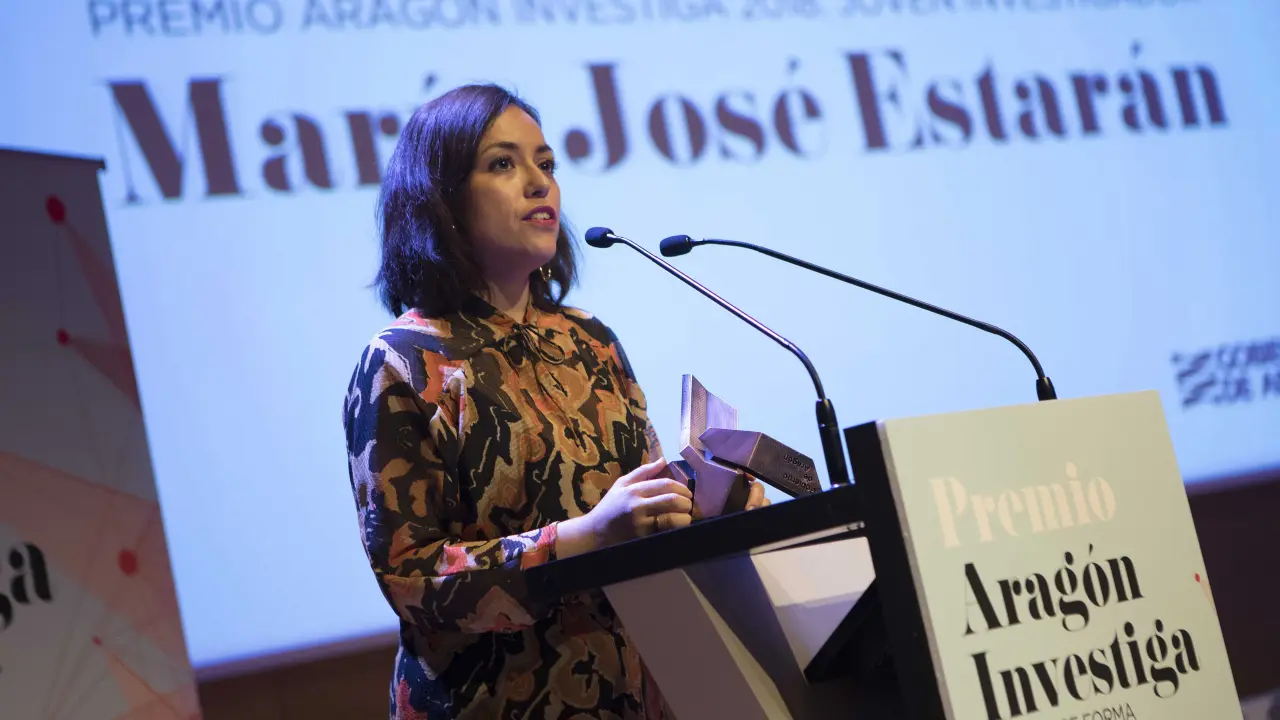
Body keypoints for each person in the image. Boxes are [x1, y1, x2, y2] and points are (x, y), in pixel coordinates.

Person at [342, 84, 770, 720]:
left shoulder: (590, 340)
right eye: (503, 163)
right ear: (441, 198)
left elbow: (643, 507)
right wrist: (587, 536)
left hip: (631, 692)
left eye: (546, 163)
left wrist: (709, 501)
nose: (539, 182)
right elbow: (411, 578)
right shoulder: (401, 362)